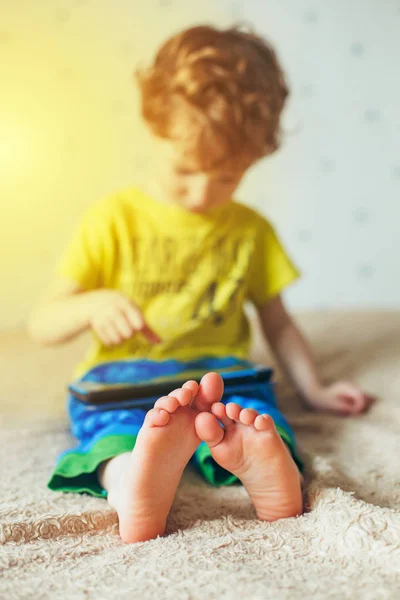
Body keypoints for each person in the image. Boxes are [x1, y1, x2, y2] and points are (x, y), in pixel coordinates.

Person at [28, 25, 373, 544]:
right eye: (186, 170)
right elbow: (42, 322)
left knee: (258, 423)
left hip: (223, 379)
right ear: (154, 128)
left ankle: (270, 475)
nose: (201, 194)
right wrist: (90, 304)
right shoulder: (111, 220)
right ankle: (131, 482)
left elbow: (277, 322)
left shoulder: (251, 230)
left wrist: (315, 388)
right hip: (126, 379)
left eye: (226, 178)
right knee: (114, 439)